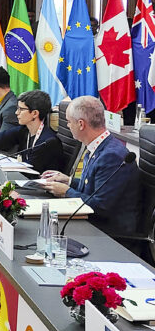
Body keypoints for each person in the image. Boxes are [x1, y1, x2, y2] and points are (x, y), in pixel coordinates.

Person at [39, 95, 141, 237]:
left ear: (81, 124)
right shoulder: (98, 146)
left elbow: (100, 206)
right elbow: (93, 187)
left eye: (69, 122)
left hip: (110, 233)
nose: (68, 126)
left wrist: (66, 192)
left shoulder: (112, 156)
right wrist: (69, 181)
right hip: (95, 223)